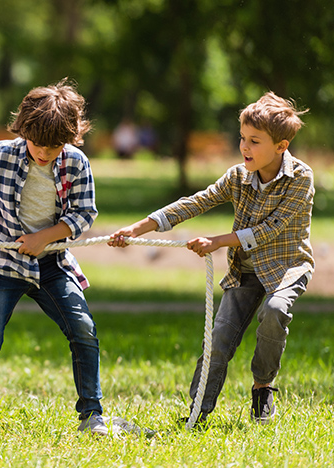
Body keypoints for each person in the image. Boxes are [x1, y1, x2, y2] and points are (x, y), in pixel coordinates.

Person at [109, 92, 313, 425]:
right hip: (245, 270)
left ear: (281, 146)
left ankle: (263, 387)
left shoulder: (301, 179)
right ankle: (198, 412)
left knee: (275, 311)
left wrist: (217, 241)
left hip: (287, 266)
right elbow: (196, 202)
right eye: (242, 138)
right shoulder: (237, 176)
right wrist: (139, 226)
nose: (244, 147)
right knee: (218, 340)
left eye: (254, 141)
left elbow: (270, 230)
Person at [0, 79, 111, 435]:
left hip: (53, 264)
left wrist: (45, 239)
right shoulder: (0, 154)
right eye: (38, 143)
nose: (45, 152)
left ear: (70, 138)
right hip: (4, 268)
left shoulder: (76, 163)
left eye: (55, 145)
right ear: (24, 130)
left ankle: (92, 415)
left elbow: (84, 214)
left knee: (83, 328)